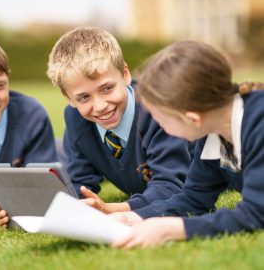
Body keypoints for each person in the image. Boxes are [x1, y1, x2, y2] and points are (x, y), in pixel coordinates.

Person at [112, 40, 264, 249]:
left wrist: (174, 229)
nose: (160, 126)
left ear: (192, 118)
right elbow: (194, 198)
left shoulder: (259, 123)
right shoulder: (212, 131)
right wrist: (137, 217)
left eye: (161, 120)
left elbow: (256, 214)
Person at [46, 26, 192, 218]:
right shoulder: (76, 119)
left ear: (125, 75)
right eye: (83, 98)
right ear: (69, 98)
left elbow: (170, 186)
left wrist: (111, 209)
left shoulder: (158, 109)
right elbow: (78, 181)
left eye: (107, 88)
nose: (99, 106)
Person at [0, 33, 57, 227]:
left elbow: (44, 189)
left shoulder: (32, 116)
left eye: (0, 86)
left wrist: (10, 197)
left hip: (55, 153)